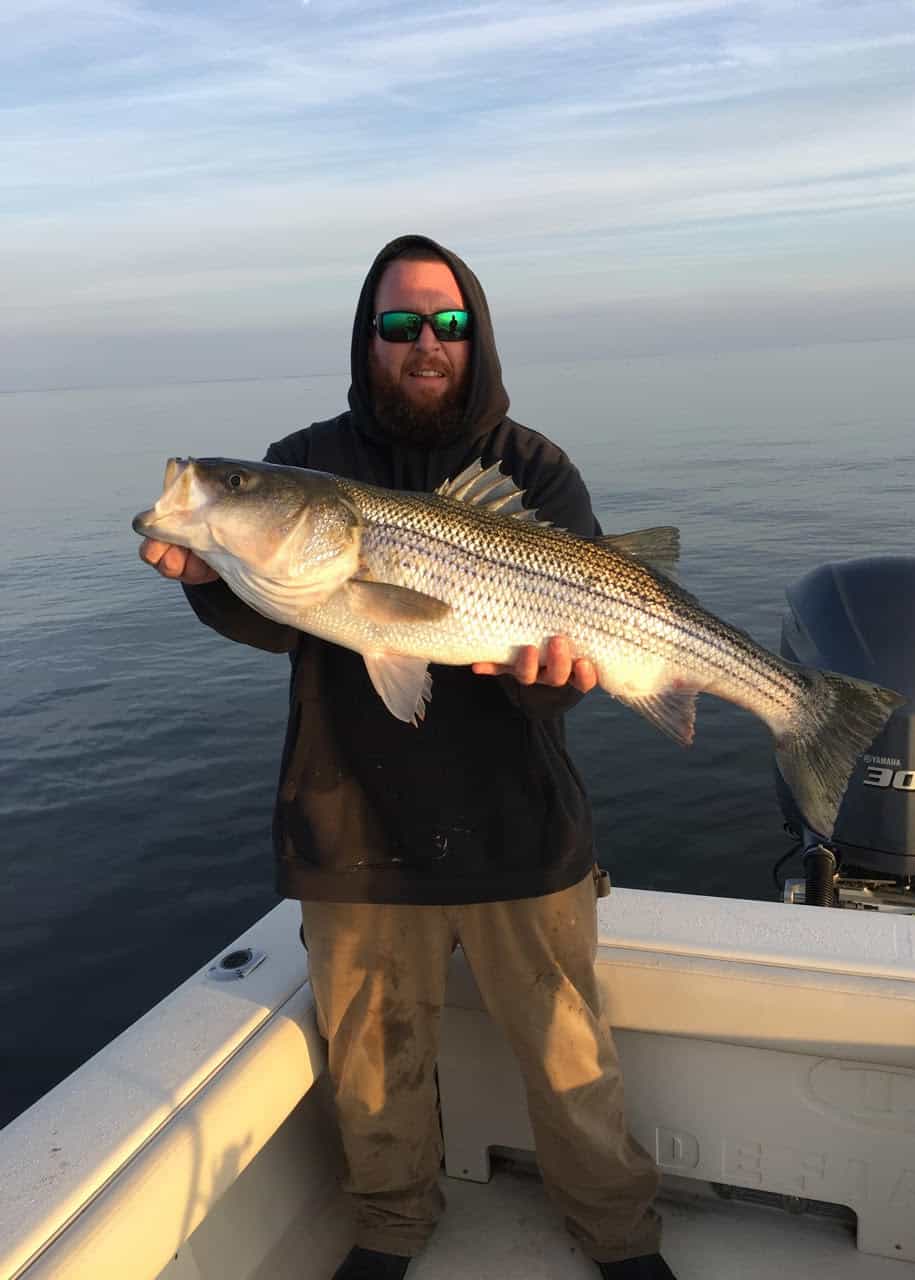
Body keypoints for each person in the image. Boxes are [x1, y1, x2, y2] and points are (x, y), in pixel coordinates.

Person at [138, 235, 676, 1280]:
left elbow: (564, 668)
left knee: (574, 1061)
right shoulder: (311, 461)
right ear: (367, 336)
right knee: (371, 1068)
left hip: (522, 821)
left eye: (446, 322)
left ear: (474, 333)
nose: (425, 342)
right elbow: (286, 618)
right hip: (356, 823)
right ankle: (389, 1228)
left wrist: (552, 672)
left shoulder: (534, 467)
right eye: (399, 324)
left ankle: (620, 1236)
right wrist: (211, 575)